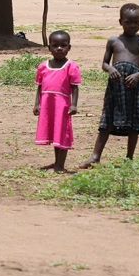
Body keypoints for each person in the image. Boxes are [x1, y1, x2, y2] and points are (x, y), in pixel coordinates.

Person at [79, 3, 139, 167]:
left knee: (133, 123)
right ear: (120, 22)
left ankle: (129, 158)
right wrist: (110, 69)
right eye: (128, 22)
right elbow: (104, 63)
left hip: (133, 87)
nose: (132, 26)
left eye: (136, 22)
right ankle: (95, 156)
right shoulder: (114, 41)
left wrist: (138, 75)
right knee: (107, 120)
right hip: (115, 86)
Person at [32, 30, 81, 173]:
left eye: (63, 45)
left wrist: (74, 104)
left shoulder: (71, 66)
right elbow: (40, 86)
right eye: (55, 46)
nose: (59, 48)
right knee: (55, 133)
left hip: (62, 105)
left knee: (62, 133)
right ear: (49, 48)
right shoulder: (43, 66)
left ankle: (60, 166)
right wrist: (37, 103)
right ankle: (56, 162)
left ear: (69, 48)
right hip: (47, 104)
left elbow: (75, 87)